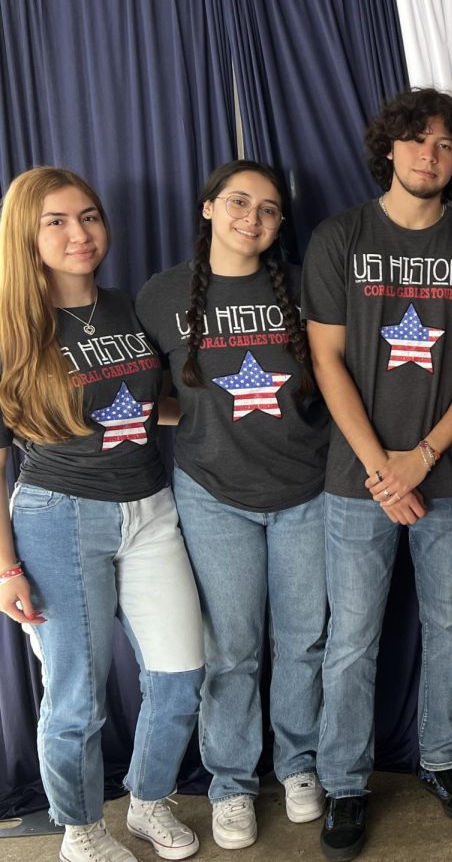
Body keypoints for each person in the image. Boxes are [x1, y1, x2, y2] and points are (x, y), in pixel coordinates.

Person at [301, 87, 452, 861]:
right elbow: (325, 359)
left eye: (446, 146)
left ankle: (442, 760)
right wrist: (380, 467)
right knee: (351, 638)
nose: (431, 155)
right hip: (355, 480)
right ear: (389, 148)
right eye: (417, 141)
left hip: (449, 473)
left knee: (449, 626)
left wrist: (419, 458)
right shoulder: (340, 238)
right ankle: (345, 782)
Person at [0, 167, 204, 861]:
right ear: (27, 233)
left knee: (181, 674)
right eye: (55, 220)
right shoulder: (12, 327)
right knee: (77, 698)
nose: (78, 233)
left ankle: (148, 802)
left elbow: (151, 408)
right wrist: (4, 568)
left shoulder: (131, 306)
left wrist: (224, 412)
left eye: (88, 216)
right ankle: (81, 829)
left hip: (150, 508)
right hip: (59, 517)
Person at [136, 161, 331, 850]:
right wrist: (192, 419)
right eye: (240, 202)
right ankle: (232, 784)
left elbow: (340, 372)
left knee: (305, 639)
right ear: (209, 208)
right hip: (213, 494)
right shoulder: (162, 295)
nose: (254, 217)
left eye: (270, 209)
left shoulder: (308, 283)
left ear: (281, 224)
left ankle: (300, 765)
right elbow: (142, 392)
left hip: (307, 488)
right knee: (232, 651)